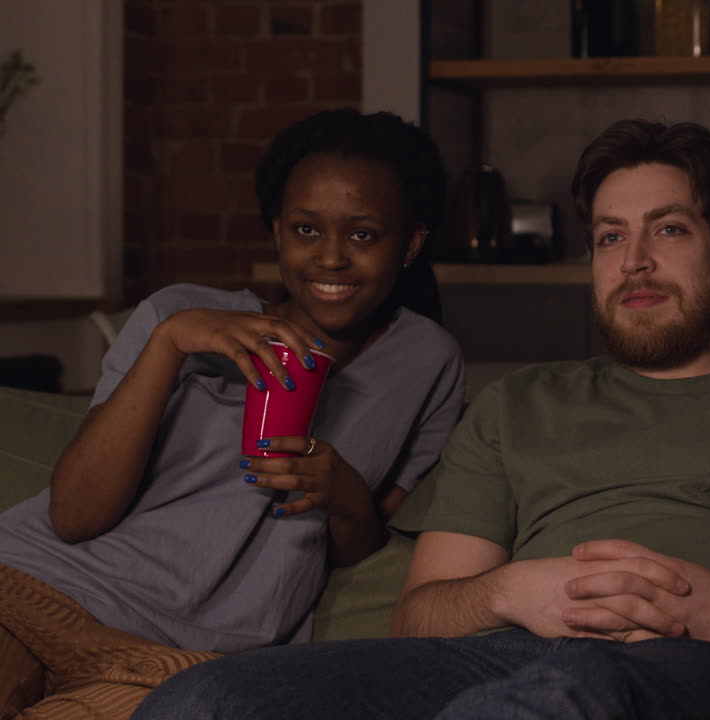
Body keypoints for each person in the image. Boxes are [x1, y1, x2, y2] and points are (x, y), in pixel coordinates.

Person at [133, 119, 710, 720]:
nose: (633, 262)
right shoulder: (518, 405)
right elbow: (422, 615)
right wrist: (509, 593)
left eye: (667, 230)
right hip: (511, 657)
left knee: (562, 700)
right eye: (608, 237)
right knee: (202, 702)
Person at [0, 108, 464, 719]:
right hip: (32, 589)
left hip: (184, 660)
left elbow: (366, 543)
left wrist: (344, 492)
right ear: (276, 231)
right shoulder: (180, 313)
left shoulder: (425, 361)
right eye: (305, 230)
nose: (329, 258)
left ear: (410, 243)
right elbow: (74, 515)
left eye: (362, 234)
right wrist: (169, 344)